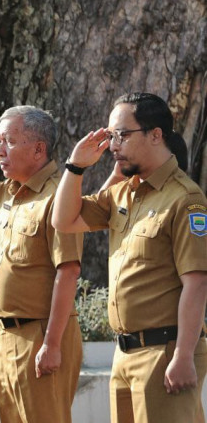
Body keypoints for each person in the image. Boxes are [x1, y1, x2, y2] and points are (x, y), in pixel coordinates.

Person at [52, 92, 207, 422]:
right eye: (110, 136)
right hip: (124, 354)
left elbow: (196, 282)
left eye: (122, 135)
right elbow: (63, 220)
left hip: (164, 352)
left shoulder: (185, 199)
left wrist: (183, 355)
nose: (113, 145)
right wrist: (75, 166)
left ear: (155, 135)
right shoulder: (122, 193)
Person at [0, 106, 83, 423]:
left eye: (10, 141)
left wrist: (52, 344)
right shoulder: (12, 191)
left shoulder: (58, 196)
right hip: (8, 335)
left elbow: (68, 271)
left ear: (38, 149)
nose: (0, 150)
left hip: (40, 334)